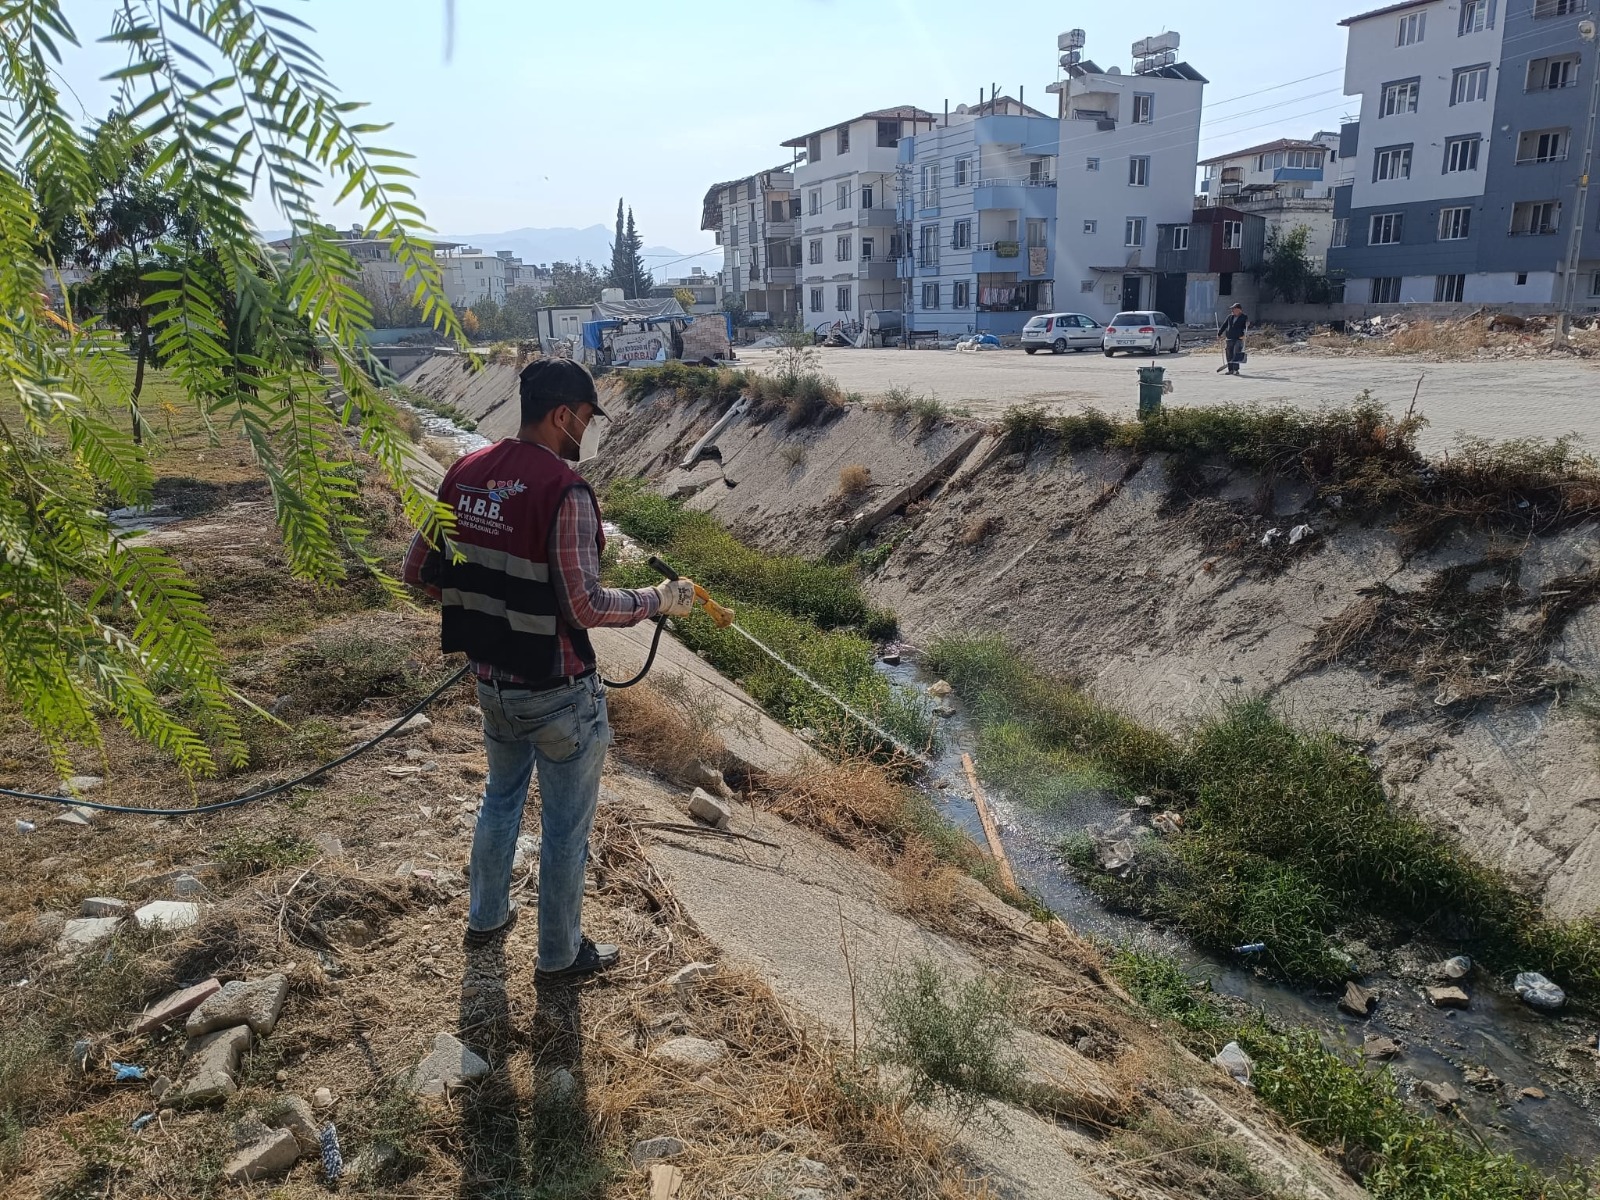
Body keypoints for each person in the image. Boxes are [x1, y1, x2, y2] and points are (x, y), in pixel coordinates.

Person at [403, 359, 698, 982]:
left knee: (500, 798)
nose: (585, 433)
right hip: (559, 694)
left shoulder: (463, 472)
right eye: (586, 418)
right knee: (565, 831)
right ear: (563, 414)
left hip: (492, 683)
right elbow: (583, 605)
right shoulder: (565, 492)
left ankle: (485, 919)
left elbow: (418, 572)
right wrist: (654, 601)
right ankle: (559, 958)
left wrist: (485, 614)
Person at [1217, 303, 1249, 376]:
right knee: (1229, 354)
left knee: (1236, 353)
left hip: (1238, 338)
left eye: (1234, 309)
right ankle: (1230, 369)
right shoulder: (1230, 317)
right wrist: (1219, 333)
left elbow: (1246, 326)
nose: (1232, 310)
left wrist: (1248, 324)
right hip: (1229, 338)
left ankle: (1236, 369)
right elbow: (1224, 325)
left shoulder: (1244, 317)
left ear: (1239, 310)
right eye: (1232, 309)